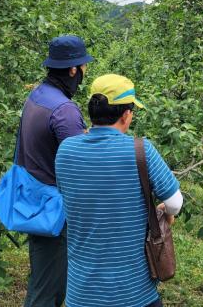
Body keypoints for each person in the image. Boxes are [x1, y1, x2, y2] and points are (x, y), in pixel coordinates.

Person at [55, 74, 183, 307]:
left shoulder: (66, 150)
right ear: (126, 114)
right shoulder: (141, 150)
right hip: (134, 294)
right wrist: (164, 210)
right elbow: (175, 203)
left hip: (82, 294)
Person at [17, 35, 94, 307]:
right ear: (73, 70)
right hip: (55, 212)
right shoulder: (64, 110)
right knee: (48, 291)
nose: (84, 72)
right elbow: (82, 165)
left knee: (45, 280)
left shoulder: (38, 95)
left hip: (35, 202)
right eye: (83, 67)